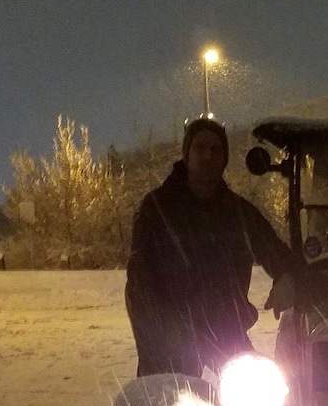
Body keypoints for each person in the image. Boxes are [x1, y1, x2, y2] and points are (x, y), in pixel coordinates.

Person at [125, 115, 300, 378]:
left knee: (255, 392)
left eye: (216, 149)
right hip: (170, 339)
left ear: (224, 158)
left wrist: (286, 276)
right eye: (200, 147)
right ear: (186, 154)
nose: (208, 155)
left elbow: (273, 249)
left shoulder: (238, 213)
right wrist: (157, 342)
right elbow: (139, 285)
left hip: (226, 332)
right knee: (167, 401)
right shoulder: (157, 209)